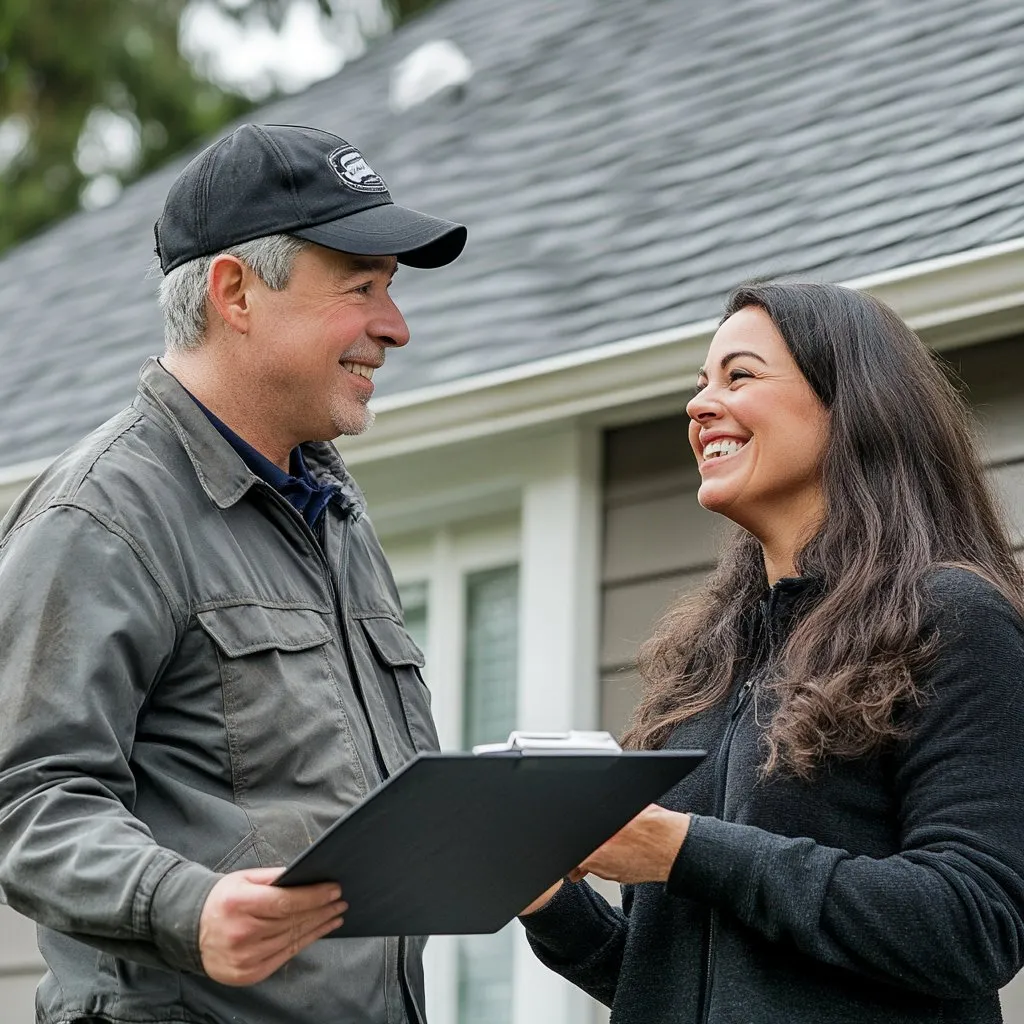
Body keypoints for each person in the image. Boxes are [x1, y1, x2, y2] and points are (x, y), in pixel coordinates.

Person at [0, 123, 465, 1024]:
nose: (395, 328)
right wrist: (187, 906)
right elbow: (26, 797)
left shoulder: (331, 510)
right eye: (362, 287)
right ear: (235, 291)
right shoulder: (103, 516)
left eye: (393, 292)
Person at [519, 281, 1024, 1023]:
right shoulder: (710, 660)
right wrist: (550, 902)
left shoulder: (950, 617)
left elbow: (973, 924)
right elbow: (695, 981)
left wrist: (686, 850)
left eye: (740, 376)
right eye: (699, 385)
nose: (699, 406)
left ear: (851, 405)